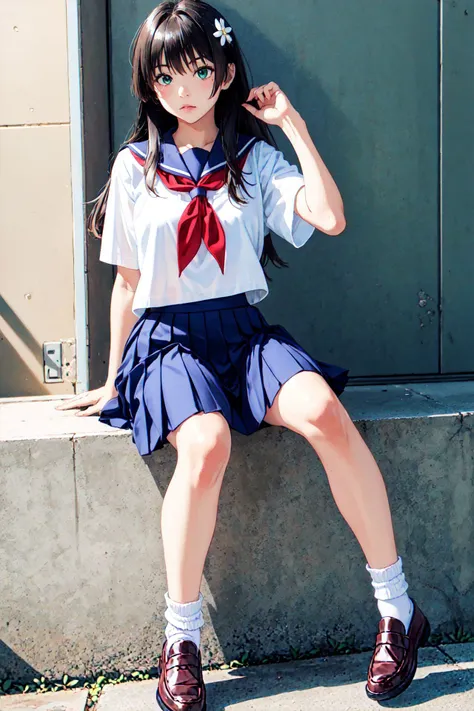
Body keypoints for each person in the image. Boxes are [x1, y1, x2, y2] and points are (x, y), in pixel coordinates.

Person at [56, 1, 430, 709]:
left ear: (225, 72)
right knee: (205, 441)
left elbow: (330, 217)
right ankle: (182, 638)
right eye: (165, 78)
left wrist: (290, 125)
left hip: (241, 332)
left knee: (322, 408)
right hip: (165, 339)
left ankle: (398, 609)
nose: (184, 90)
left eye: (197, 71)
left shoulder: (252, 162)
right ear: (149, 86)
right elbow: (129, 283)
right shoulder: (135, 166)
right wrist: (110, 380)